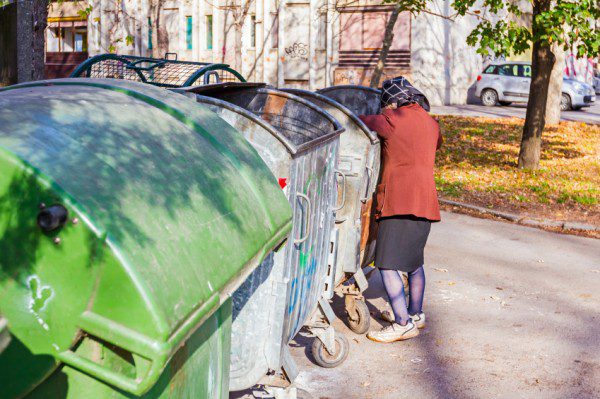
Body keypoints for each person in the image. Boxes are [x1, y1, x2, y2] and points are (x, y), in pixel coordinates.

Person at [359, 76, 442, 343]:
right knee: (414, 263)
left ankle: (402, 322)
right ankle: (416, 314)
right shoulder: (432, 124)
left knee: (385, 263)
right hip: (425, 203)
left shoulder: (390, 120)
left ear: (394, 101)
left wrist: (383, 112)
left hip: (398, 202)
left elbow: (362, 120)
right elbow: (437, 143)